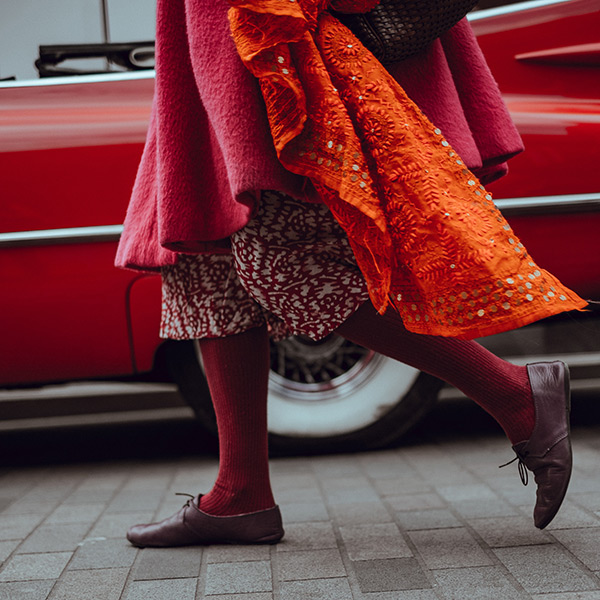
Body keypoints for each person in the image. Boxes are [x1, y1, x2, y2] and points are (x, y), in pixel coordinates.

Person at [117, 0, 587, 547]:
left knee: (286, 268)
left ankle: (515, 395)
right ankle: (240, 493)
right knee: (206, 271)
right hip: (211, 57)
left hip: (284, 51)